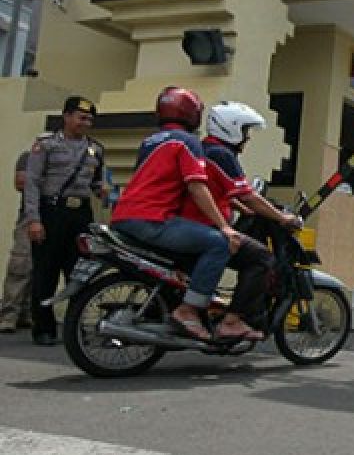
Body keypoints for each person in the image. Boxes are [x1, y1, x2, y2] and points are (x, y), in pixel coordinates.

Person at [111, 87, 241, 342]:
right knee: (218, 243)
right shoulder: (188, 141)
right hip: (152, 219)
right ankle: (189, 310)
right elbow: (196, 185)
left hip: (123, 216)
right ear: (191, 113)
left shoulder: (150, 141)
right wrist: (224, 227)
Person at [180, 100, 302, 340]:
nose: (247, 138)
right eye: (245, 131)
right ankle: (233, 319)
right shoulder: (221, 154)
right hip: (203, 227)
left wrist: (240, 208)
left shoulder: (204, 149)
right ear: (231, 128)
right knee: (262, 259)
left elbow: (219, 191)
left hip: (189, 224)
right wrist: (282, 217)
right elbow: (247, 194)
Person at [23, 96, 106, 345]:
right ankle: (44, 328)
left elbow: (98, 182)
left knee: (79, 272)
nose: (86, 123)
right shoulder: (46, 145)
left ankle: (76, 326)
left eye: (90, 119)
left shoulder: (95, 149)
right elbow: (32, 183)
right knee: (45, 272)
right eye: (81, 117)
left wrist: (105, 190)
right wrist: (34, 220)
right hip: (52, 213)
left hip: (80, 215)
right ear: (66, 116)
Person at [0, 150, 33, 333]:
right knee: (20, 265)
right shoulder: (29, 157)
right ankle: (8, 315)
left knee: (41, 270)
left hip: (54, 219)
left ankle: (26, 313)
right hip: (28, 218)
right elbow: (20, 183)